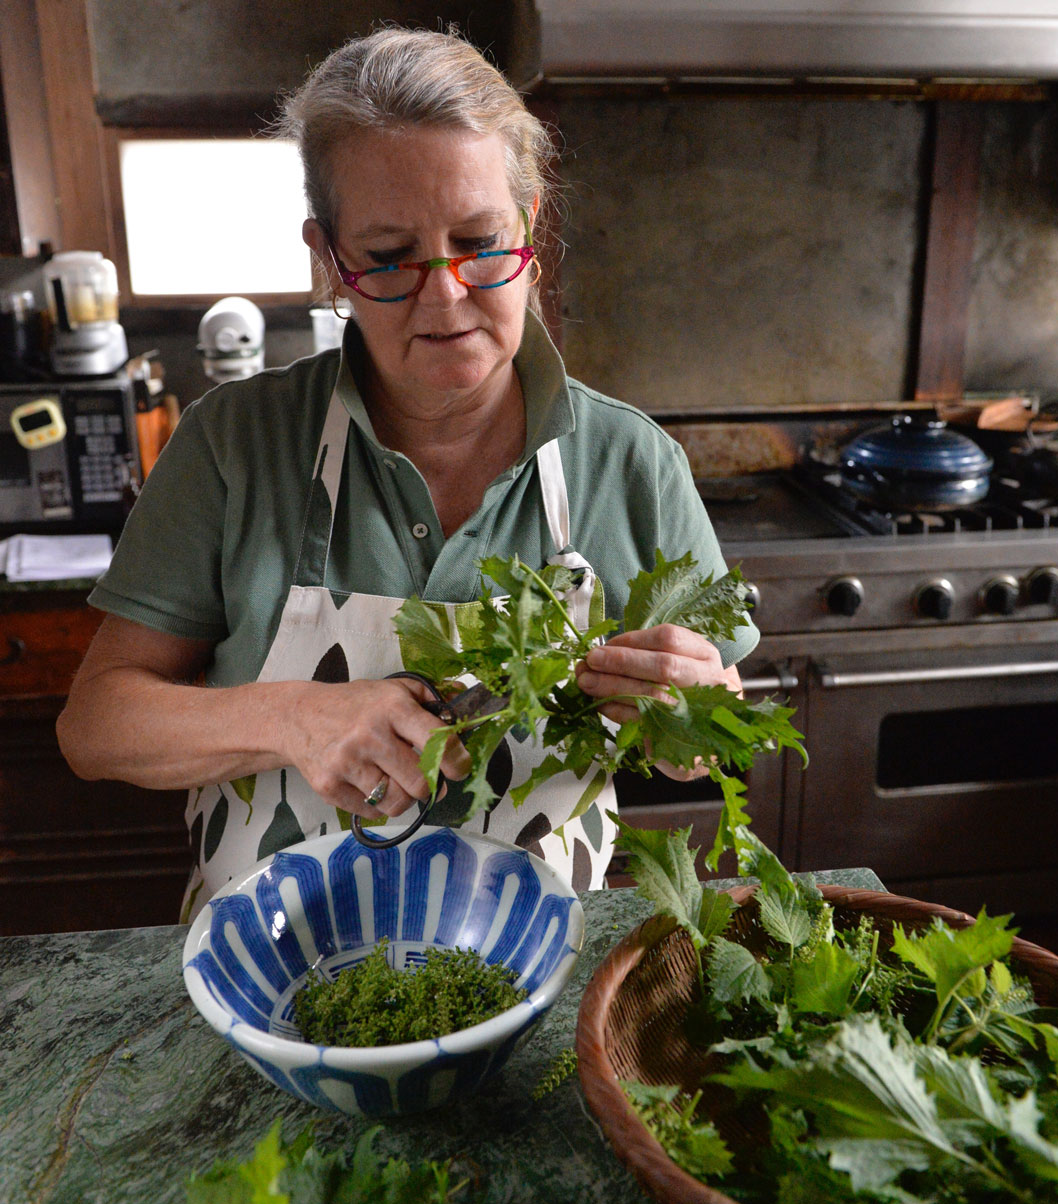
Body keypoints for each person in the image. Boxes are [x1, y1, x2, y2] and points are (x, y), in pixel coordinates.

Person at [56, 25, 759, 919]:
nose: (446, 296)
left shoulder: (631, 463)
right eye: (389, 257)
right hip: (268, 974)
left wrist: (694, 715)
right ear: (329, 259)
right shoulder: (233, 445)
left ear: (530, 221)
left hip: (536, 985)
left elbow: (715, 734)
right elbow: (94, 726)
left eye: (479, 240)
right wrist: (294, 717)